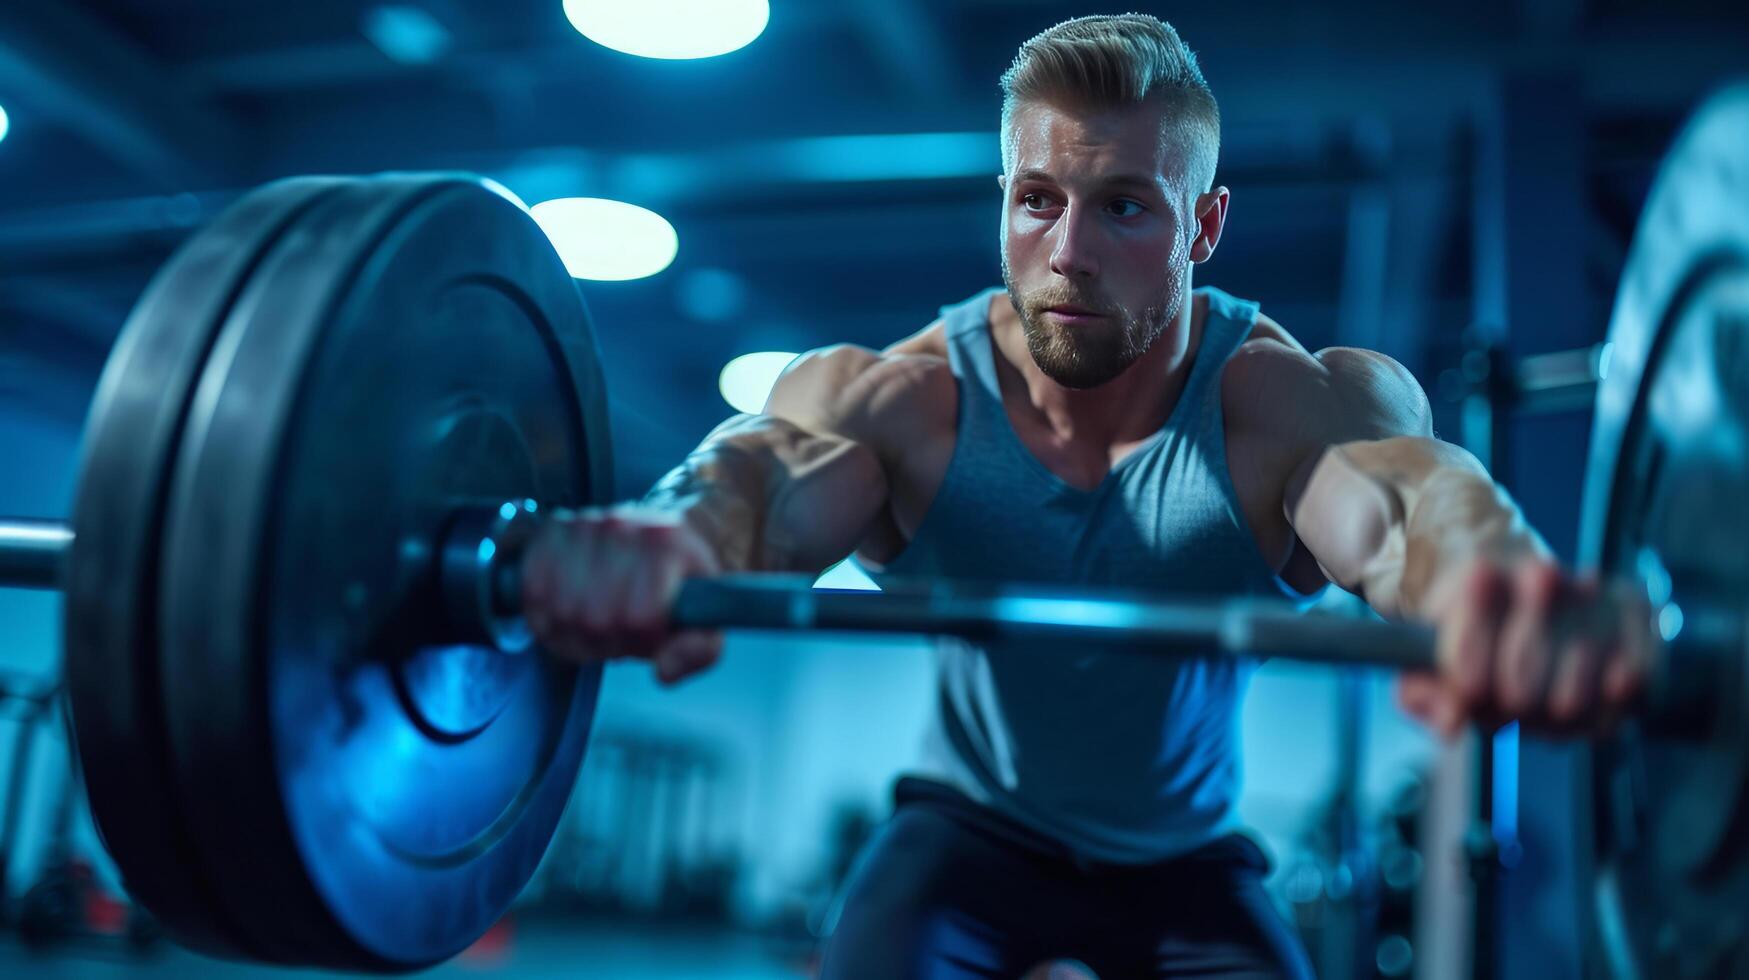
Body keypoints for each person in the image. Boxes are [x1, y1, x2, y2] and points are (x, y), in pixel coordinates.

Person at [519, 14, 1654, 978]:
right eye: (1037, 198)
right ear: (1001, 201)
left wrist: (1491, 576)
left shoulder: (1281, 407)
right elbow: (761, 482)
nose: (1066, 253)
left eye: (1123, 207)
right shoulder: (911, 399)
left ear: (1204, 225)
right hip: (966, 831)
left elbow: (1410, 509)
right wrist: (671, 530)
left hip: (1185, 854)